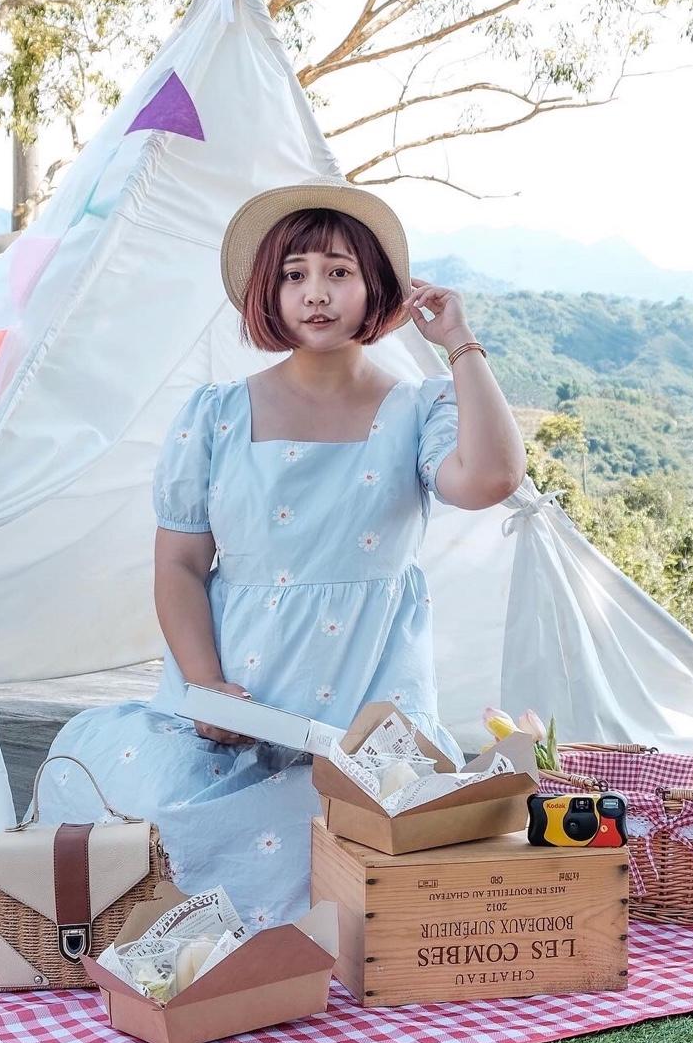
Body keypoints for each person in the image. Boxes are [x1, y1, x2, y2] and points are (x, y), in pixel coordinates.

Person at [38, 181, 527, 927]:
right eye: (294, 274)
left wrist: (459, 343)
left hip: (364, 722)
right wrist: (206, 687)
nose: (315, 293)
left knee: (354, 843)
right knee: (167, 826)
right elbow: (179, 566)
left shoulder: (418, 409)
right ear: (269, 291)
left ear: (376, 286)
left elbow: (492, 478)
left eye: (339, 272)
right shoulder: (215, 414)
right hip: (238, 704)